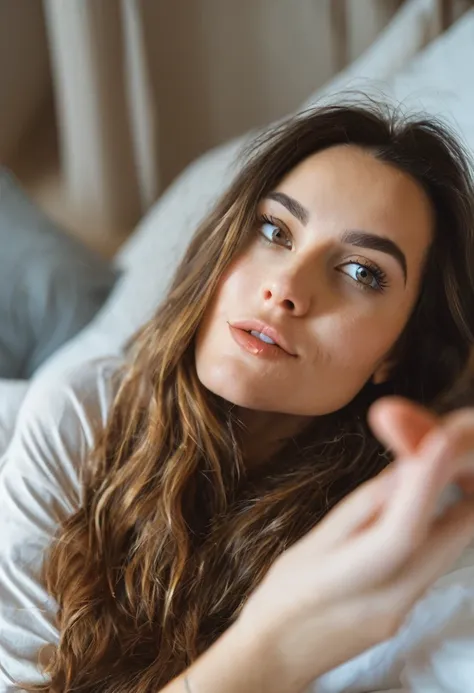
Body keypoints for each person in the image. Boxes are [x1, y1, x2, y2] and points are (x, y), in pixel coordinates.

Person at [1, 101, 474, 693]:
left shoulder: (392, 545)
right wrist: (269, 653)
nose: (286, 289)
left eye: (360, 272)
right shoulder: (82, 411)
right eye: (274, 231)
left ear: (397, 353)